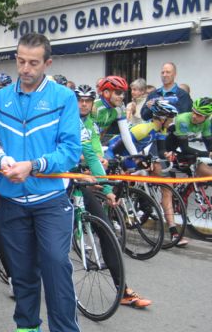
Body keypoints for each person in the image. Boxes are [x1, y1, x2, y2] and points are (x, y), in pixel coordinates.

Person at [0, 33, 82, 332]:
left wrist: (34, 166)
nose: (25, 68)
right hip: (10, 200)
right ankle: (28, 327)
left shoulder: (64, 98)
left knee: (56, 265)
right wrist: (1, 159)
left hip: (51, 199)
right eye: (21, 61)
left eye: (33, 63)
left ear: (48, 64)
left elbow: (71, 150)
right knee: (21, 269)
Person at [74, 85, 152, 308]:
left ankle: (123, 289)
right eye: (80, 100)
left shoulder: (89, 124)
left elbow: (92, 154)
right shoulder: (66, 120)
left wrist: (107, 190)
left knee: (106, 229)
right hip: (56, 182)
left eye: (88, 100)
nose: (84, 104)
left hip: (79, 181)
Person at [105, 100, 187, 246]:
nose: (172, 121)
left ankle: (135, 206)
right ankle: (109, 214)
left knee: (140, 174)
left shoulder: (160, 130)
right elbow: (118, 145)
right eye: (170, 118)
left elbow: (161, 151)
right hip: (115, 151)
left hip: (130, 154)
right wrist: (129, 162)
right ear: (162, 118)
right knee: (118, 183)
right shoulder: (144, 129)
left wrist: (167, 155)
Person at [168, 97, 212, 179]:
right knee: (170, 186)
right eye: (193, 112)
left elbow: (209, 144)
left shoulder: (206, 123)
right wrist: (208, 154)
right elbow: (185, 148)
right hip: (165, 150)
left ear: (206, 117)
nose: (194, 116)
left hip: (178, 151)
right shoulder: (183, 120)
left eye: (199, 115)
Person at [93, 76, 138, 156]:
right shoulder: (95, 107)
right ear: (106, 93)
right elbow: (91, 136)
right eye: (118, 93)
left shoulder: (119, 108)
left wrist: (135, 156)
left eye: (123, 93)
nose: (122, 96)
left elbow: (125, 135)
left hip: (96, 143)